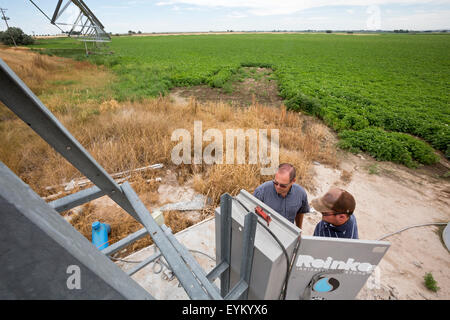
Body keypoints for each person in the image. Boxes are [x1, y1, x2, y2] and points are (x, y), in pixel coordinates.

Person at [253, 163, 309, 228]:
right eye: (275, 183)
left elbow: (300, 212)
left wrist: (299, 230)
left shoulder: (300, 193)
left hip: (288, 233)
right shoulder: (261, 192)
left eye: (283, 185)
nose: (278, 187)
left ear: (293, 181)